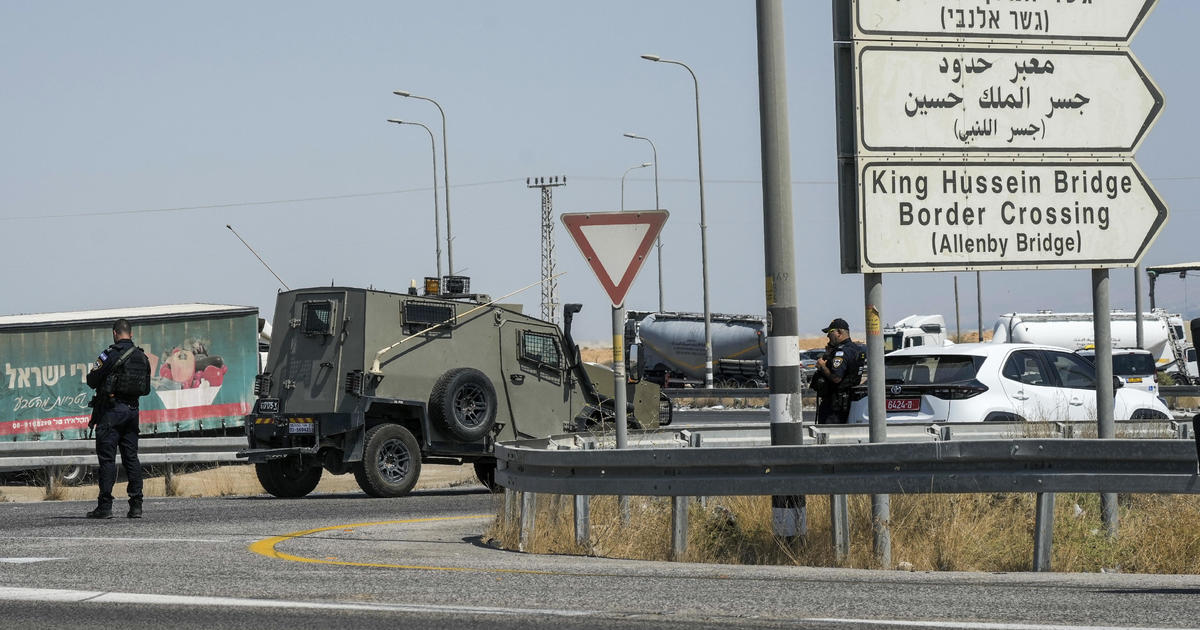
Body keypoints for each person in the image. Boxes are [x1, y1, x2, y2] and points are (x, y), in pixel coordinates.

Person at [85, 318, 151, 519]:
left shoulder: (109, 355)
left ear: (115, 333)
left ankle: (105, 507)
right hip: (133, 412)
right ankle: (136, 505)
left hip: (111, 412)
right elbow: (146, 389)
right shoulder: (142, 356)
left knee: (107, 459)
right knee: (131, 457)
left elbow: (91, 380)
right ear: (130, 334)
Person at [814, 318, 866, 424]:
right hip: (847, 401)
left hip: (835, 405)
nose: (828, 336)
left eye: (830, 332)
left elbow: (836, 378)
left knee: (827, 435)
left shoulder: (841, 352)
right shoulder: (855, 349)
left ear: (839, 332)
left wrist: (823, 366)